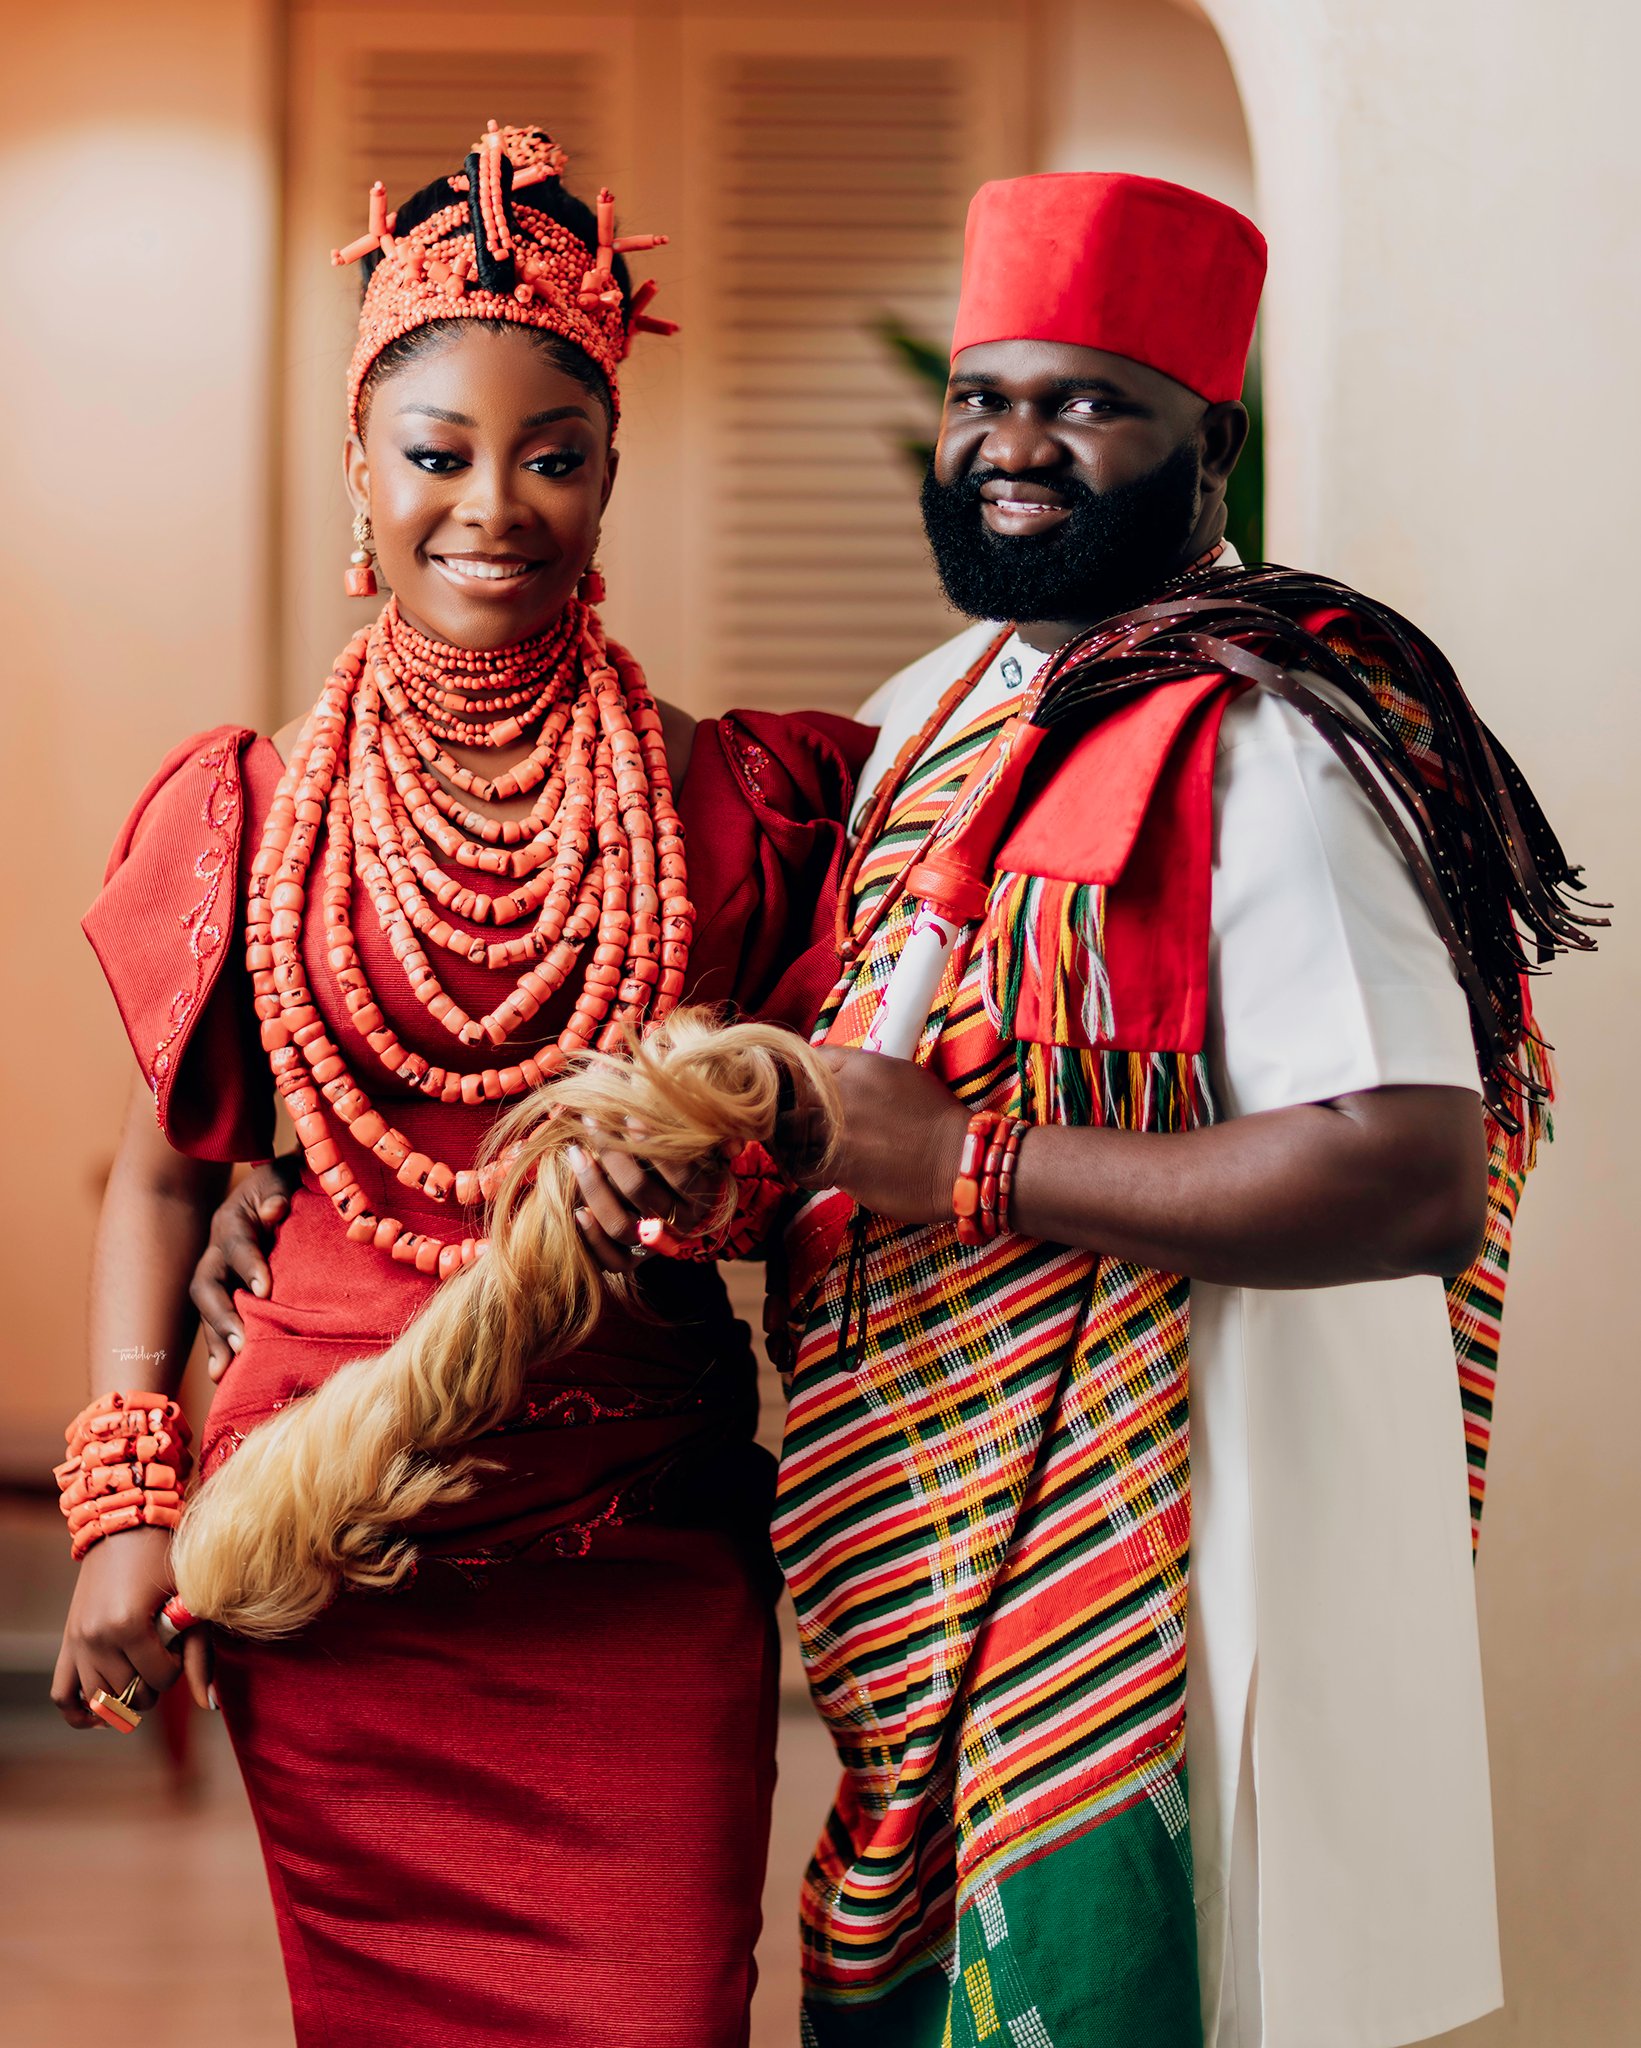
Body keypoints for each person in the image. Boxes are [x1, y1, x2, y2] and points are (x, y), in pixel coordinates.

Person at [198, 172, 1597, 2045]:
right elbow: (822, 1105)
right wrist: (365, 1185)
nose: (1015, 446)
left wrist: (959, 1163)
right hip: (904, 1558)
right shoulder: (928, 712)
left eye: (1087, 404)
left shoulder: (1262, 733)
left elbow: (1409, 1177)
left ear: (1209, 447)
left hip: (1135, 1559)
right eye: (981, 398)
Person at [55, 123, 869, 2048]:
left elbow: (831, 1161)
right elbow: (165, 1181)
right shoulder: (251, 809)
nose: (491, 506)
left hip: (633, 1543)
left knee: (662, 2011)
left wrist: (723, 1184)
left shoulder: (734, 804)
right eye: (436, 454)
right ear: (360, 466)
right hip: (330, 1557)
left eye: (551, 456)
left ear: (609, 474)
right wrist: (124, 1514)